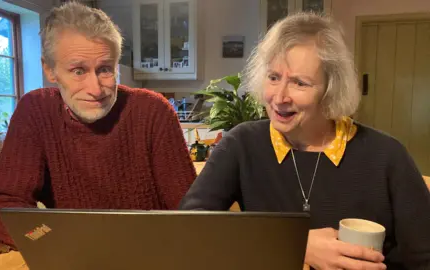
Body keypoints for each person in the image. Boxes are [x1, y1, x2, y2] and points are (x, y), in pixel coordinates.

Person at [179, 12, 430, 270]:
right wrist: (298, 246)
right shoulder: (241, 144)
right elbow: (187, 230)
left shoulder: (387, 156)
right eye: (274, 77)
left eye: (299, 82)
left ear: (331, 89)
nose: (279, 97)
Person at [0, 2, 196, 246]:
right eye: (78, 71)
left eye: (105, 69)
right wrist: (51, 240)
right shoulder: (36, 111)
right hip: (73, 254)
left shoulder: (153, 111)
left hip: (152, 251)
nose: (95, 89)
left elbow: (193, 215)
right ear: (50, 70)